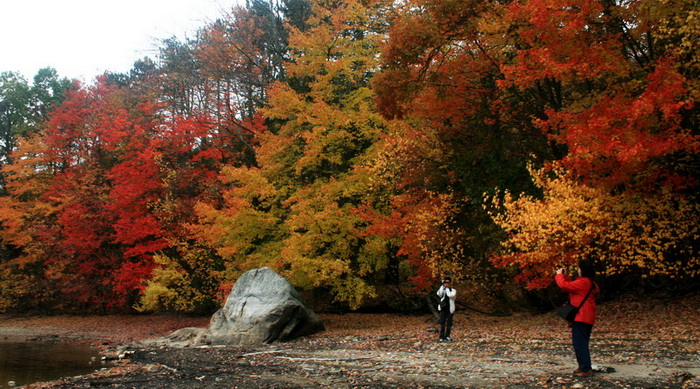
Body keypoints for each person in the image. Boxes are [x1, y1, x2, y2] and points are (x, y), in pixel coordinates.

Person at [555, 260, 599, 377]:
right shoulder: (589, 283)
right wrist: (565, 276)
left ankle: (586, 368)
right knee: (580, 343)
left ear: (583, 271)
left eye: (579, 269)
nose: (578, 271)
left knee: (580, 343)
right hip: (585, 316)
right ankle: (583, 366)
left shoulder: (584, 283)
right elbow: (571, 286)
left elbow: (565, 286)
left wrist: (559, 275)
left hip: (582, 316)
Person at [436, 277, 456, 342]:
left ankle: (447, 336)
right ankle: (441, 336)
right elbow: (439, 294)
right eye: (445, 283)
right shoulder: (443, 289)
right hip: (443, 308)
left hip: (450, 309)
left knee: (449, 323)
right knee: (442, 323)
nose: (447, 284)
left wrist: (447, 289)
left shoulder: (453, 290)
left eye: (448, 283)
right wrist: (442, 286)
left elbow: (451, 295)